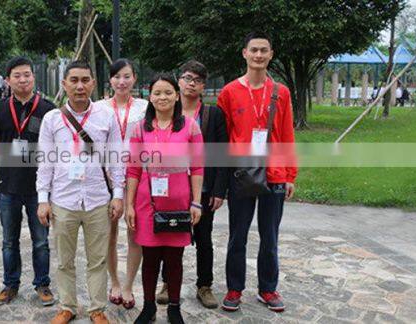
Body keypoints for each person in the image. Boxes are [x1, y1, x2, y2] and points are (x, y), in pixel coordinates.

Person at [36, 61, 124, 324]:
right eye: (73, 80)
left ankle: (97, 308)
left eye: (85, 80)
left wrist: (118, 194)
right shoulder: (52, 119)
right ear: (64, 84)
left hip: (98, 199)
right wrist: (43, 199)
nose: (79, 86)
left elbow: (116, 158)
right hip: (63, 199)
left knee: (97, 259)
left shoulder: (106, 116)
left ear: (94, 83)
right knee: (65, 260)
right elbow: (45, 161)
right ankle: (67, 306)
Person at [217, 32, 297, 313]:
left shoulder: (281, 92)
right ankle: (234, 288)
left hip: (274, 173)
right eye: (254, 50)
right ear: (245, 53)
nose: (259, 55)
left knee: (270, 236)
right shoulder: (228, 92)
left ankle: (268, 288)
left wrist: (290, 175)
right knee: (237, 234)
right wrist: (222, 181)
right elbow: (223, 138)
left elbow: (287, 134)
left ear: (271, 54)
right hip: (242, 173)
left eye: (264, 50)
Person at [126, 74, 203, 324]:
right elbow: (133, 169)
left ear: (177, 95)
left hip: (179, 203)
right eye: (157, 93)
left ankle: (174, 307)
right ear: (150, 96)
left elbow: (198, 167)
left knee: (174, 261)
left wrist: (196, 202)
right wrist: (129, 204)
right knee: (149, 260)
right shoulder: (140, 128)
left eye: (168, 92)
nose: (162, 97)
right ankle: (148, 307)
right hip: (147, 204)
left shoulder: (189, 126)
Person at [154, 60, 228, 309]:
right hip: (171, 188)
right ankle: (167, 283)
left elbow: (221, 155)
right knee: (169, 235)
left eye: (197, 79)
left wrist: (219, 190)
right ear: (178, 82)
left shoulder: (212, 114)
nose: (191, 83)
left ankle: (204, 285)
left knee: (203, 238)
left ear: (203, 85)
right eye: (186, 78)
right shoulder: (164, 112)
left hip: (203, 189)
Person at [0, 56, 56, 306]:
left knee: (41, 241)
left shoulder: (48, 109)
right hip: (8, 186)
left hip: (39, 189)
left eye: (26, 74)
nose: (22, 79)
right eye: (17, 75)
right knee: (9, 240)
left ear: (33, 77)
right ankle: (10, 284)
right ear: (8, 80)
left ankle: (42, 284)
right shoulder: (0, 108)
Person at [94, 58, 149, 310]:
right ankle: (114, 282)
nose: (122, 81)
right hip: (106, 178)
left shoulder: (145, 107)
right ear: (110, 80)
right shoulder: (98, 108)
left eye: (127, 76)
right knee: (109, 233)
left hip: (138, 177)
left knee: (134, 232)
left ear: (134, 78)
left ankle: (128, 285)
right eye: (117, 77)